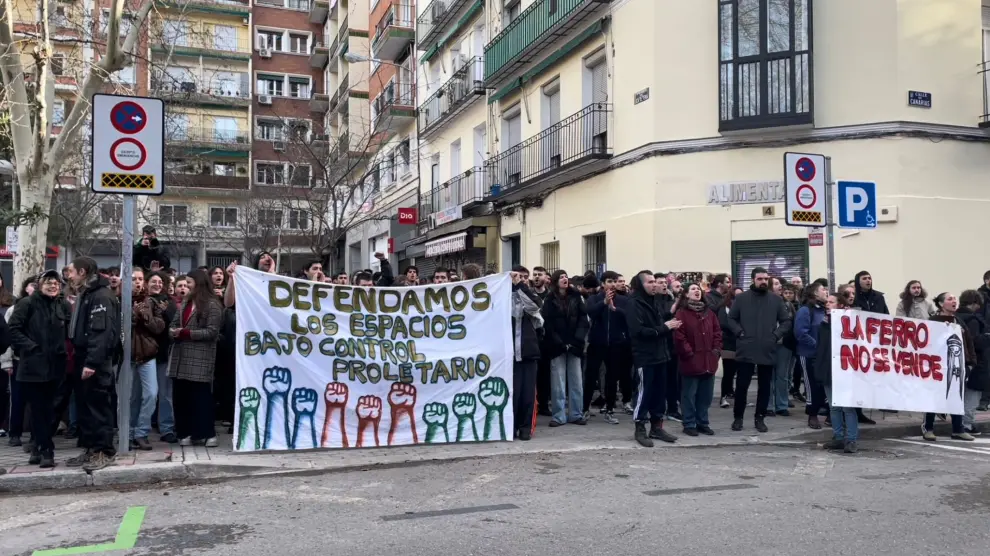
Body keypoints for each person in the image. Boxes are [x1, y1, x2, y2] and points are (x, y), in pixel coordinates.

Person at [65, 256, 121, 471]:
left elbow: (101, 333)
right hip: (82, 356)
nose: (69, 276)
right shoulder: (87, 293)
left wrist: (92, 362)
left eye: (71, 271)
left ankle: (104, 451)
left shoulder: (101, 296)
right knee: (85, 406)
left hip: (95, 360)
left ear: (82, 271)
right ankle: (90, 448)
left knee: (98, 406)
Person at [726, 267, 792, 433]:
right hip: (746, 347)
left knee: (765, 386)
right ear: (753, 280)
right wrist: (739, 332)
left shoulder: (775, 300)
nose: (763, 282)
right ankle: (738, 418)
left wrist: (775, 336)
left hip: (767, 348)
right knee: (742, 386)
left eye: (765, 279)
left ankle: (760, 417)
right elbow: (731, 319)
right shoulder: (741, 299)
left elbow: (786, 322)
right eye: (760, 279)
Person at [8, 270, 62, 467]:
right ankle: (46, 449)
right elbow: (13, 330)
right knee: (39, 409)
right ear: (40, 285)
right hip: (33, 367)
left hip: (56, 367)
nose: (53, 286)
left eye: (56, 283)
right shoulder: (26, 304)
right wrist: (32, 347)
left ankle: (38, 446)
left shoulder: (61, 304)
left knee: (49, 410)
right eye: (48, 282)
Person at [168, 269, 224, 447]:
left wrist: (186, 333)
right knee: (181, 397)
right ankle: (185, 432)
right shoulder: (185, 302)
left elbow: (212, 332)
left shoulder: (212, 304)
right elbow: (175, 323)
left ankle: (206, 433)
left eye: (189, 283)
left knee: (200, 398)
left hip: (200, 358)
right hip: (180, 356)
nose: (186, 286)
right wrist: (173, 331)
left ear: (198, 284)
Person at [625, 271, 681, 446]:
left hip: (661, 355)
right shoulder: (634, 303)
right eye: (650, 282)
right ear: (641, 285)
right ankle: (640, 427)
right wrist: (664, 328)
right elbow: (638, 331)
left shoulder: (655, 301)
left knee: (659, 394)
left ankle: (657, 427)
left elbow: (658, 323)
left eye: (654, 282)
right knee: (644, 393)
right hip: (645, 356)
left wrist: (668, 321)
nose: (654, 285)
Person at [924, 293, 976, 441]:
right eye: (949, 299)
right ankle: (928, 428)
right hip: (938, 364)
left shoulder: (958, 320)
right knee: (933, 397)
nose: (954, 301)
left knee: (956, 397)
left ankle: (958, 429)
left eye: (955, 299)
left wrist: (971, 361)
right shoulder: (933, 321)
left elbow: (968, 341)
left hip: (958, 364)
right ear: (941, 304)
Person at [540, 270, 588, 427]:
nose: (565, 279)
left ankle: (576, 414)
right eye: (561, 277)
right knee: (558, 382)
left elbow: (583, 319)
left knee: (576, 381)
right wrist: (560, 342)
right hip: (557, 346)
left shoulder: (576, 296)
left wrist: (577, 340)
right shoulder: (549, 299)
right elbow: (548, 324)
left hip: (575, 344)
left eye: (566, 276)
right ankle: (559, 415)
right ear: (555, 281)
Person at [815, 286, 860, 453]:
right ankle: (838, 437)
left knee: (848, 406)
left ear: (840, 305)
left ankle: (852, 439)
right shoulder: (824, 324)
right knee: (834, 406)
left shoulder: (851, 323)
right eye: (826, 302)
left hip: (846, 370)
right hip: (828, 369)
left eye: (831, 302)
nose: (827, 304)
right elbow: (821, 348)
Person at [673, 283, 721, 436]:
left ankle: (702, 422)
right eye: (693, 289)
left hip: (709, 361)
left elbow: (717, 333)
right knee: (689, 395)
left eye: (698, 289)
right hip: (691, 362)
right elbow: (679, 337)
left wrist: (716, 351)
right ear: (686, 294)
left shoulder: (709, 313)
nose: (697, 291)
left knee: (705, 396)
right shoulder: (681, 313)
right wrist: (689, 354)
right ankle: (689, 423)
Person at [585, 271, 632, 425]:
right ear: (603, 283)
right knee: (591, 377)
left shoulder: (624, 300)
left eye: (614, 281)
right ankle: (585, 408)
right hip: (597, 343)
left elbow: (629, 318)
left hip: (616, 344)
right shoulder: (594, 298)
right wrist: (604, 303)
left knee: (612, 378)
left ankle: (610, 409)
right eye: (609, 281)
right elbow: (590, 313)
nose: (612, 284)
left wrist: (615, 309)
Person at [128, 269, 166, 450]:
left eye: (140, 279)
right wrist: (132, 316)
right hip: (126, 355)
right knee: (129, 397)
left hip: (147, 353)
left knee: (151, 393)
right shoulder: (118, 299)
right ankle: (127, 433)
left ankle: (141, 432)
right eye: (133, 279)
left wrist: (146, 316)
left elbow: (159, 327)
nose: (137, 282)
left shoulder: (149, 301)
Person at [510, 267, 543, 441]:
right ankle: (511, 425)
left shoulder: (529, 294)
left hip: (528, 351)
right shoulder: (503, 295)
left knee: (528, 393)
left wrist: (520, 287)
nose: (520, 279)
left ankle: (525, 427)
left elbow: (534, 307)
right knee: (513, 392)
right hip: (509, 354)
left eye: (524, 277)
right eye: (517, 276)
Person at [3, 276, 36, 446]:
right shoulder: (14, 309)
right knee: (17, 398)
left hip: (39, 362)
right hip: (18, 360)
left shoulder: (47, 308)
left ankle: (34, 435)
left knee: (36, 400)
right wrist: (7, 362)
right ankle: (14, 433)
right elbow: (8, 337)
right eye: (33, 285)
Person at [147, 272, 178, 443]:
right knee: (147, 395)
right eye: (153, 281)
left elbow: (174, 324)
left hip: (162, 354)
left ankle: (166, 428)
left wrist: (166, 312)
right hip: (143, 354)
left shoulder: (169, 302)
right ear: (147, 283)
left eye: (160, 282)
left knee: (165, 394)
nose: (157, 284)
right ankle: (139, 430)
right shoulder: (140, 300)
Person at [794, 282, 828, 428]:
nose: (826, 291)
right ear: (815, 293)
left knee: (823, 385)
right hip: (809, 354)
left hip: (823, 355)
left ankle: (828, 413)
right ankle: (812, 414)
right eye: (823, 289)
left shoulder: (825, 311)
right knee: (811, 384)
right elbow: (800, 333)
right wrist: (818, 345)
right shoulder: (805, 311)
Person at [957, 290, 989, 435]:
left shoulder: (956, 317)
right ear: (975, 303)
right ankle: (967, 424)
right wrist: (987, 337)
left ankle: (962, 422)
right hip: (975, 361)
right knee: (973, 394)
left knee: (962, 393)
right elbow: (976, 341)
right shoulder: (973, 320)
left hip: (960, 360)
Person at [770, 281, 798, 416]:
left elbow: (791, 324)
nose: (779, 286)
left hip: (785, 344)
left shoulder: (788, 305)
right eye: (775, 284)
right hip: (768, 343)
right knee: (768, 376)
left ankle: (781, 404)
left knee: (783, 376)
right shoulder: (764, 303)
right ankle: (768, 405)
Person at [718, 288, 739, 408]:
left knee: (736, 371)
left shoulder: (744, 308)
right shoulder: (724, 308)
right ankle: (723, 397)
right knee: (728, 372)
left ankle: (731, 392)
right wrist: (738, 329)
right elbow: (723, 324)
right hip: (728, 344)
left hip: (740, 343)